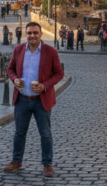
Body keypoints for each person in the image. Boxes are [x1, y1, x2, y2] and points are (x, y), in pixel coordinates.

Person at [5, 22, 64, 177]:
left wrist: (44, 86)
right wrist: (15, 80)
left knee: (45, 133)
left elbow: (59, 74)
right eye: (29, 33)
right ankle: (16, 161)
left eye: (35, 33)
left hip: (41, 100)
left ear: (40, 34)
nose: (32, 36)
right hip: (22, 99)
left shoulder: (50, 51)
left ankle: (47, 164)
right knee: (19, 133)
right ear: (26, 34)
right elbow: (10, 69)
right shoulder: (18, 50)